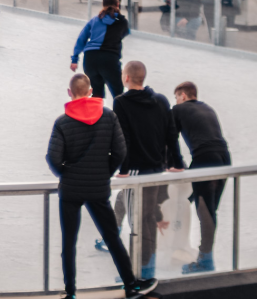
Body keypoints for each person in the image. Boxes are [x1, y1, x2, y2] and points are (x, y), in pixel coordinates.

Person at [47, 73, 158, 299]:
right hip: (98, 188)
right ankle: (130, 286)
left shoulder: (62, 121)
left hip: (71, 189)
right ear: (90, 91)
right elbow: (120, 151)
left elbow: (53, 158)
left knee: (69, 242)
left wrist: (67, 174)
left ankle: (70, 293)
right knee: (111, 237)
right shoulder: (108, 116)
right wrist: (103, 173)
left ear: (70, 93)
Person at [112, 60, 185, 280]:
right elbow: (171, 134)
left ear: (126, 78)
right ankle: (147, 267)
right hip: (156, 169)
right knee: (147, 218)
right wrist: (177, 163)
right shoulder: (161, 100)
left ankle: (137, 272)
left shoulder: (121, 103)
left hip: (135, 171)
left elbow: (123, 137)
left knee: (137, 221)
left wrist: (124, 170)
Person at [171, 81, 231, 274]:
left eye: (176, 97)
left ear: (182, 95)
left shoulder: (178, 109)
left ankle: (205, 261)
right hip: (224, 159)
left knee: (204, 210)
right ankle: (204, 255)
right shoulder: (207, 108)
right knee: (209, 209)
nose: (176, 101)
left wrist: (174, 165)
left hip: (205, 159)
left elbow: (169, 140)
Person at [71, 0, 129, 99]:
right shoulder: (122, 21)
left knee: (97, 95)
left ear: (103, 5)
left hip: (90, 59)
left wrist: (75, 58)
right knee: (119, 95)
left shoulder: (94, 20)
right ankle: (119, 115)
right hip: (109, 59)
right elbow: (124, 34)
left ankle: (97, 114)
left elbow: (81, 38)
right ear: (118, 5)